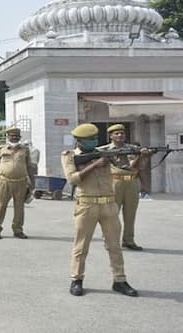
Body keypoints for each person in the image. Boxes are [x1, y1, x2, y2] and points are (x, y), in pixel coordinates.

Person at [61, 123, 138, 297]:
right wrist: (94, 165)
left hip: (109, 205)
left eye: (95, 138)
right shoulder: (70, 156)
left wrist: (141, 155)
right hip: (87, 205)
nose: (93, 141)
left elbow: (127, 167)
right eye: (89, 139)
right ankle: (77, 279)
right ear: (79, 141)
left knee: (114, 246)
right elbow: (73, 179)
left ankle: (119, 280)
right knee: (81, 246)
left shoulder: (104, 153)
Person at [98, 124, 150, 250]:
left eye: (122, 133)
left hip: (131, 183)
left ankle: (128, 240)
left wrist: (142, 155)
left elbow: (134, 167)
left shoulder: (133, 149)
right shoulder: (103, 150)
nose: (120, 135)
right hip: (114, 183)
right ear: (111, 136)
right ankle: (110, 240)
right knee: (111, 215)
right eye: (116, 133)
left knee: (130, 214)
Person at [0, 127, 33, 240]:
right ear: (7, 137)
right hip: (4, 181)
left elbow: (29, 167)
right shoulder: (1, 149)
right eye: (12, 136)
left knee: (19, 207)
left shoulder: (25, 150)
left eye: (16, 136)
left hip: (21, 182)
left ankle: (18, 230)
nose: (14, 137)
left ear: (20, 137)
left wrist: (32, 182)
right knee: (1, 205)